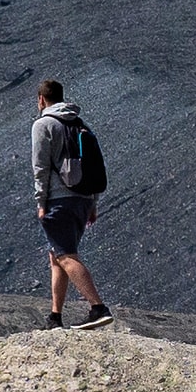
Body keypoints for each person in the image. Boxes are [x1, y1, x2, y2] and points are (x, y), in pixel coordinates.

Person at [30, 79, 114, 330]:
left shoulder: (43, 124)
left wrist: (40, 202)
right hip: (82, 198)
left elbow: (40, 167)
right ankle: (55, 317)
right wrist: (93, 202)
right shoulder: (80, 124)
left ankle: (98, 308)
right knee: (56, 256)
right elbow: (93, 166)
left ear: (41, 100)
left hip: (59, 200)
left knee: (65, 256)